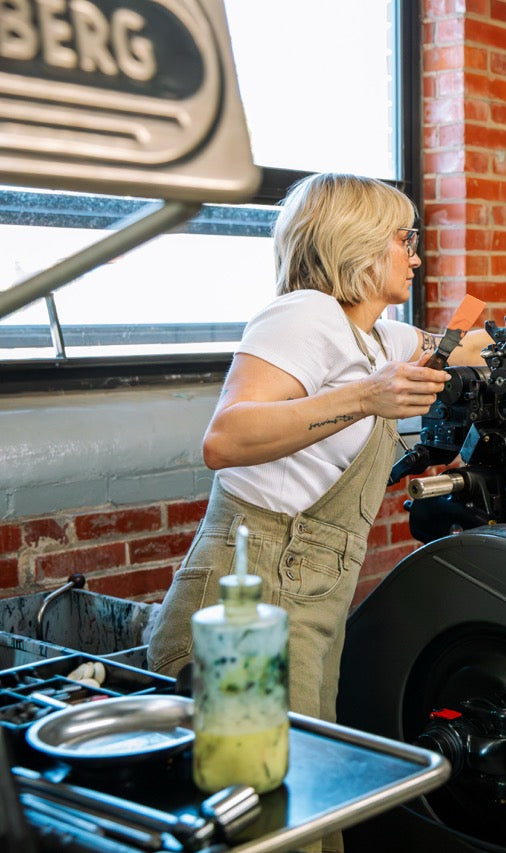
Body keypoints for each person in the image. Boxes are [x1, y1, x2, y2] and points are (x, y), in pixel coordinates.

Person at [146, 172, 450, 723]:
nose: (415, 257)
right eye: (404, 240)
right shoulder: (304, 313)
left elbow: (477, 345)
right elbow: (225, 439)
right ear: (358, 243)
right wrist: (364, 397)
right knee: (277, 781)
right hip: (252, 588)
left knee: (305, 771)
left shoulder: (384, 338)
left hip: (310, 591)